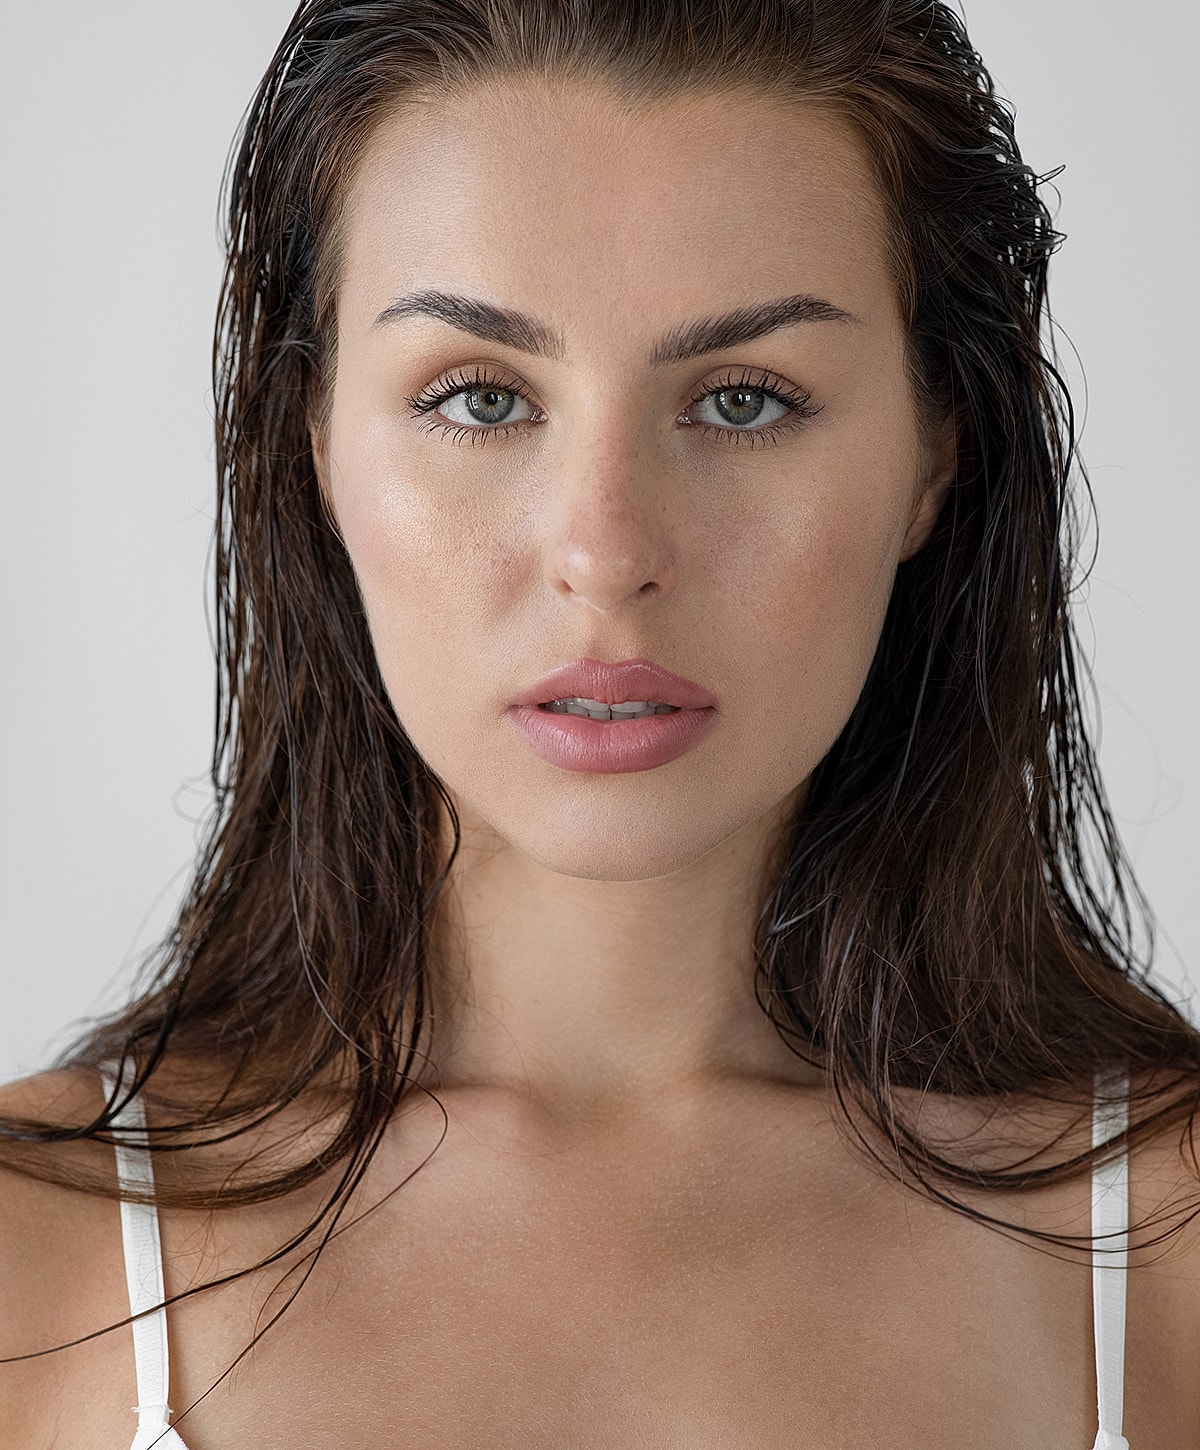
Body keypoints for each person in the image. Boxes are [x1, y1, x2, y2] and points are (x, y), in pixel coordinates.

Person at [1, 1, 1198, 1445]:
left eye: (745, 400)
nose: (606, 550)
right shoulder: (35, 1262)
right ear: (314, 444)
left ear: (937, 449)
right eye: (480, 396)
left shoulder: (1173, 1247)